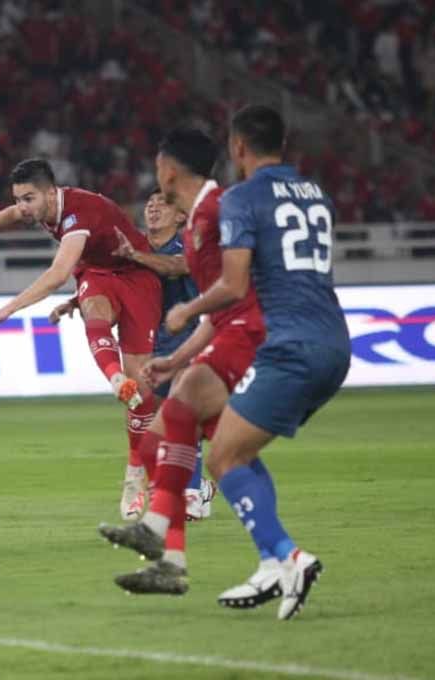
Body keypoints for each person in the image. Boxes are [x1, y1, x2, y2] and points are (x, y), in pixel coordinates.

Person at [173, 105, 350, 620]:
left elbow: (232, 285)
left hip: (289, 346)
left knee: (222, 456)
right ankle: (271, 561)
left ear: (238, 148)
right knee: (238, 448)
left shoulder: (241, 198)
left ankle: (290, 557)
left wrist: (187, 307)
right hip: (335, 344)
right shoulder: (318, 194)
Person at [97, 128, 268, 596]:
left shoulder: (216, 211)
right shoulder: (196, 222)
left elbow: (223, 287)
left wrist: (187, 316)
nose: (153, 195)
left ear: (170, 172)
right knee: (185, 442)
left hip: (236, 335)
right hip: (203, 338)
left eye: (157, 174)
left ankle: (275, 554)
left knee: (202, 440)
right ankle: (172, 552)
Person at [0, 159, 162, 520]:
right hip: (99, 273)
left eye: (29, 198)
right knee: (95, 308)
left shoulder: (79, 213)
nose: (23, 207)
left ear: (50, 192)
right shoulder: (40, 207)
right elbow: (11, 216)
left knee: (143, 395)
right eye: (19, 199)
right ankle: (114, 378)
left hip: (139, 276)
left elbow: (58, 273)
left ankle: (135, 472)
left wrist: (8, 309)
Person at [51, 190, 214, 520]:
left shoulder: (186, 243)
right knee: (154, 422)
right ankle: (184, 487)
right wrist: (76, 300)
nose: (153, 207)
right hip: (146, 345)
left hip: (187, 340)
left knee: (184, 414)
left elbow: (175, 267)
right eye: (150, 203)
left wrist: (135, 256)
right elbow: (116, 281)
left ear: (181, 215)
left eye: (164, 203)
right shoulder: (136, 244)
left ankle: (193, 492)